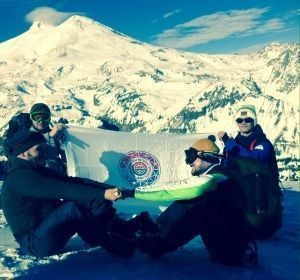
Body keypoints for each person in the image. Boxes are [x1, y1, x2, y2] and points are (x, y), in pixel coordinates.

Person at [1, 130, 149, 258]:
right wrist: (104, 193)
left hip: (48, 229)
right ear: (23, 153)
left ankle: (122, 229)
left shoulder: (35, 170)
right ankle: (113, 244)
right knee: (72, 208)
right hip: (34, 243)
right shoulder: (19, 178)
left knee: (94, 198)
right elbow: (64, 189)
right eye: (38, 149)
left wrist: (113, 190)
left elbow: (74, 182)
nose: (44, 152)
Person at [132, 137, 252, 266]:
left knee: (192, 203)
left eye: (191, 156)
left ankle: (156, 243)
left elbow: (171, 190)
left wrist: (131, 193)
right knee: (198, 203)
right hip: (233, 244)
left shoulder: (218, 177)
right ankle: (158, 234)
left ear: (206, 156)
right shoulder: (224, 173)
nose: (188, 162)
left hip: (228, 251)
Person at [217, 104, 279, 180]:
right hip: (239, 185)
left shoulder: (263, 142)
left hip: (262, 187)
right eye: (239, 120)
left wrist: (227, 141)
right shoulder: (234, 142)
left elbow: (253, 160)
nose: (243, 123)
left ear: (254, 121)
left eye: (248, 120)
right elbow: (225, 164)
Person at [29, 103, 68, 174]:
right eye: (37, 117)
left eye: (45, 117)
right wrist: (49, 135)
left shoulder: (54, 135)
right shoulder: (25, 136)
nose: (41, 121)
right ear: (31, 118)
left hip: (55, 178)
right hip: (35, 178)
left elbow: (66, 158)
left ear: (49, 119)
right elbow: (31, 145)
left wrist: (65, 140)